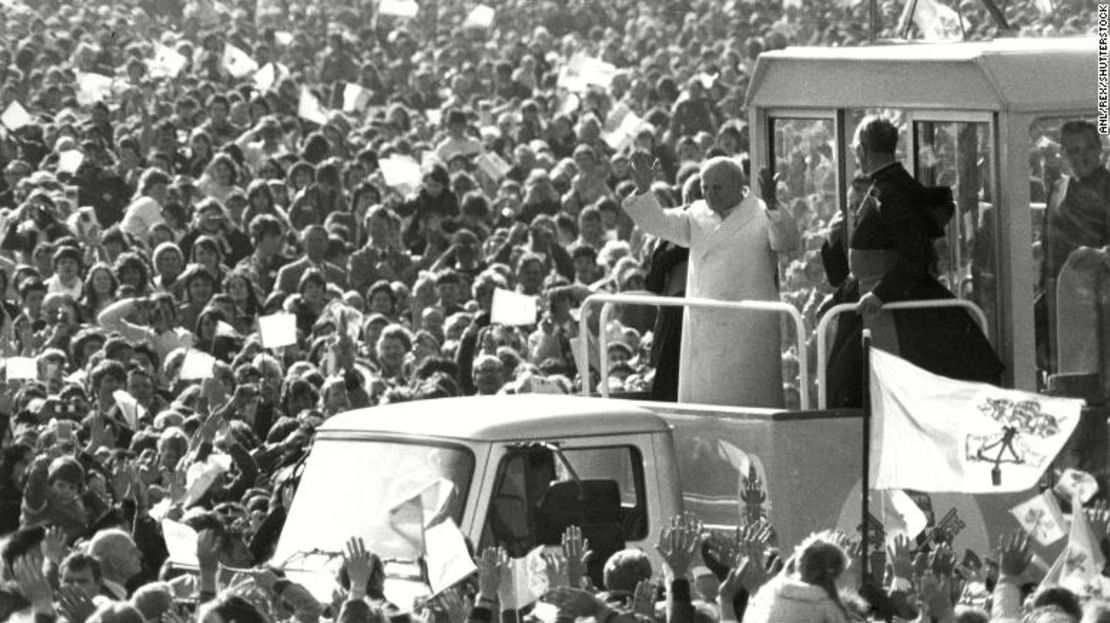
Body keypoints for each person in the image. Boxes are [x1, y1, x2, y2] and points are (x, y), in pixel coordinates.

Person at [824, 116, 1002, 407]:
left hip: (889, 309)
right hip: (866, 301)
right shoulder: (883, 186)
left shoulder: (893, 192)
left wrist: (881, 294)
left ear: (862, 151)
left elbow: (915, 255)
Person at [622, 151, 799, 407]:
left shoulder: (762, 213)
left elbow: (787, 241)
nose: (709, 194)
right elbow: (658, 223)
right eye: (705, 187)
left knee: (748, 403)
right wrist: (643, 189)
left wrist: (773, 204)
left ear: (740, 187)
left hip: (747, 330)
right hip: (704, 329)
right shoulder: (696, 214)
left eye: (717, 188)